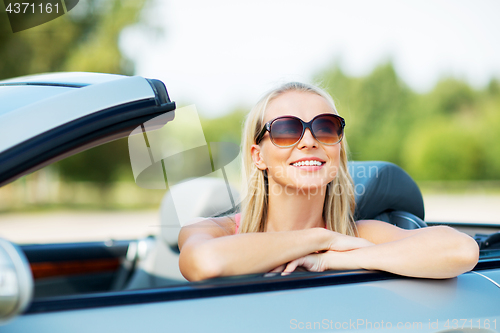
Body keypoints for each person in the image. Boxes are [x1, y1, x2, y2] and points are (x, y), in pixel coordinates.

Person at [178, 82, 479, 282]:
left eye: (325, 127)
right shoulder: (217, 232)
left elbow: (461, 250)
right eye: (286, 130)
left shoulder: (356, 234)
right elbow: (203, 262)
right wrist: (320, 240)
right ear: (258, 156)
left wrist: (332, 260)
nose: (309, 140)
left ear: (337, 151)